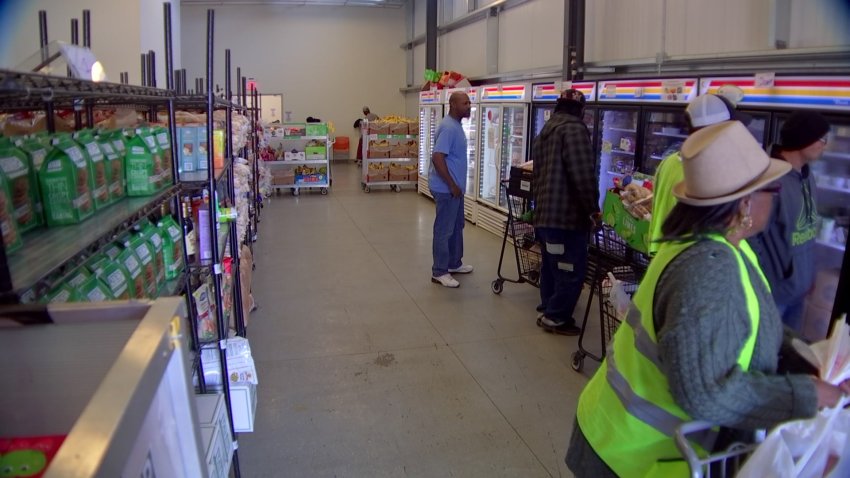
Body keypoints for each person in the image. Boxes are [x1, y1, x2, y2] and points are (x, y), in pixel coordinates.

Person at [565, 121, 850, 478]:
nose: (777, 196)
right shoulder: (707, 269)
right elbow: (707, 394)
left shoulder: (721, 245)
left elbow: (753, 317)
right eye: (770, 188)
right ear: (744, 204)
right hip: (631, 455)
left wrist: (808, 357)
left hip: (617, 434)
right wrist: (807, 395)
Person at [750, 111, 830, 331]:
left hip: (799, 290)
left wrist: (807, 273)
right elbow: (751, 237)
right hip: (775, 295)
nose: (825, 145)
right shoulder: (770, 179)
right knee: (765, 357)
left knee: (786, 354)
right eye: (821, 138)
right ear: (803, 139)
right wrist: (768, 284)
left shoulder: (806, 175)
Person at [648, 91, 751, 255]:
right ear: (717, 129)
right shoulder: (709, 172)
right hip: (691, 255)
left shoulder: (669, 162)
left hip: (664, 249)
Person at [532, 89, 597, 335]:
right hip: (566, 219)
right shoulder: (574, 130)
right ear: (581, 110)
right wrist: (593, 210)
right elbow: (583, 175)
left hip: (545, 216)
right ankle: (556, 317)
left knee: (551, 265)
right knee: (570, 269)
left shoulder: (546, 130)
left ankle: (548, 306)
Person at [430, 92, 472, 288]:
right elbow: (437, 157)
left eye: (469, 102)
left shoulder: (456, 125)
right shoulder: (448, 127)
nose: (469, 105)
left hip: (455, 189)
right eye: (465, 103)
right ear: (453, 105)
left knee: (456, 227)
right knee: (444, 230)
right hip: (447, 189)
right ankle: (439, 271)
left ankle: (454, 263)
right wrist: (452, 185)